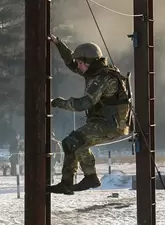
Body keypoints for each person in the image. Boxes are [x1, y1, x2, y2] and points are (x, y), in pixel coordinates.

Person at [47, 34, 131, 195]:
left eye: (80, 63)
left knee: (74, 141)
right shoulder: (94, 71)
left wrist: (56, 102)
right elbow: (72, 63)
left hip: (111, 125)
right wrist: (58, 43)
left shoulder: (103, 78)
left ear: (88, 62)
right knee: (71, 143)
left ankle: (89, 177)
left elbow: (84, 103)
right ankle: (67, 183)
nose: (78, 67)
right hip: (103, 122)